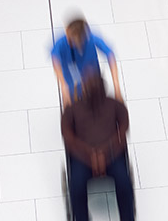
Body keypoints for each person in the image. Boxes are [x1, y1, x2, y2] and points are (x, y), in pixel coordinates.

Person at [61, 71, 134, 221]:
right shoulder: (73, 109)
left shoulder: (114, 105)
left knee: (124, 182)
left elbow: (124, 126)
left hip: (112, 155)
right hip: (83, 158)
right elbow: (67, 134)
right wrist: (90, 154)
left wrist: (105, 151)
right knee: (77, 185)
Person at [51, 17, 122, 107]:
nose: (70, 41)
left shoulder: (91, 38)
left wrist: (116, 86)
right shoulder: (61, 42)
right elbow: (55, 61)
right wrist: (64, 86)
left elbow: (110, 55)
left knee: (98, 105)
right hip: (73, 83)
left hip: (93, 81)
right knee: (73, 106)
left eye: (76, 40)